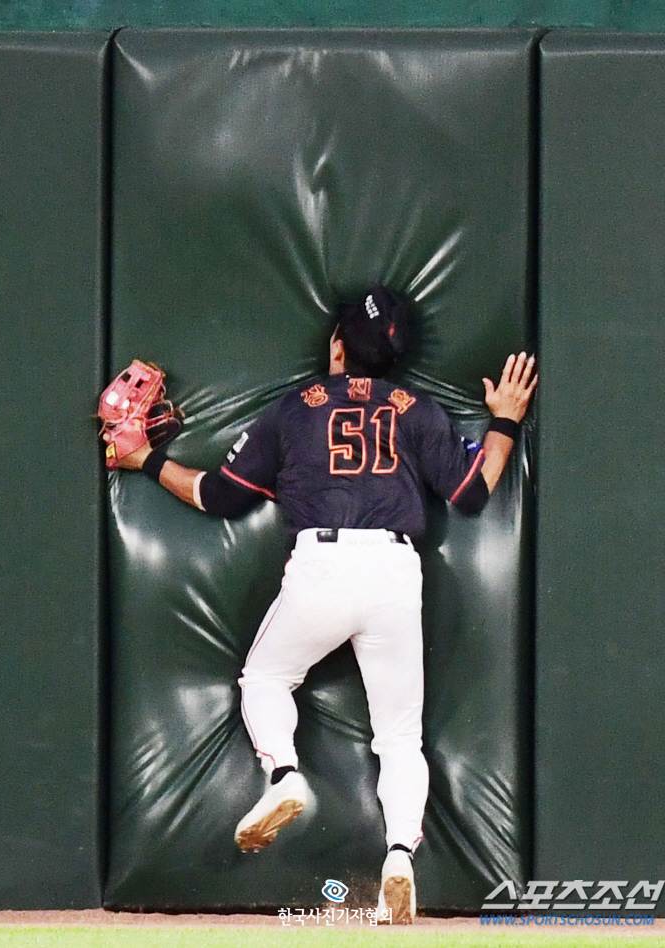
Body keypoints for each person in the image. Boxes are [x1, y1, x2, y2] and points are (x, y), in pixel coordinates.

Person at [113, 286, 537, 924]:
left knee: (265, 677)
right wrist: (504, 419)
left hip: (323, 564)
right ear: (395, 355)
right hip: (395, 570)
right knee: (399, 737)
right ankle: (398, 854)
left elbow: (219, 497)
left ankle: (284, 775)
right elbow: (474, 494)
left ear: (337, 347)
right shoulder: (416, 407)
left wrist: (145, 458)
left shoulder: (295, 410)